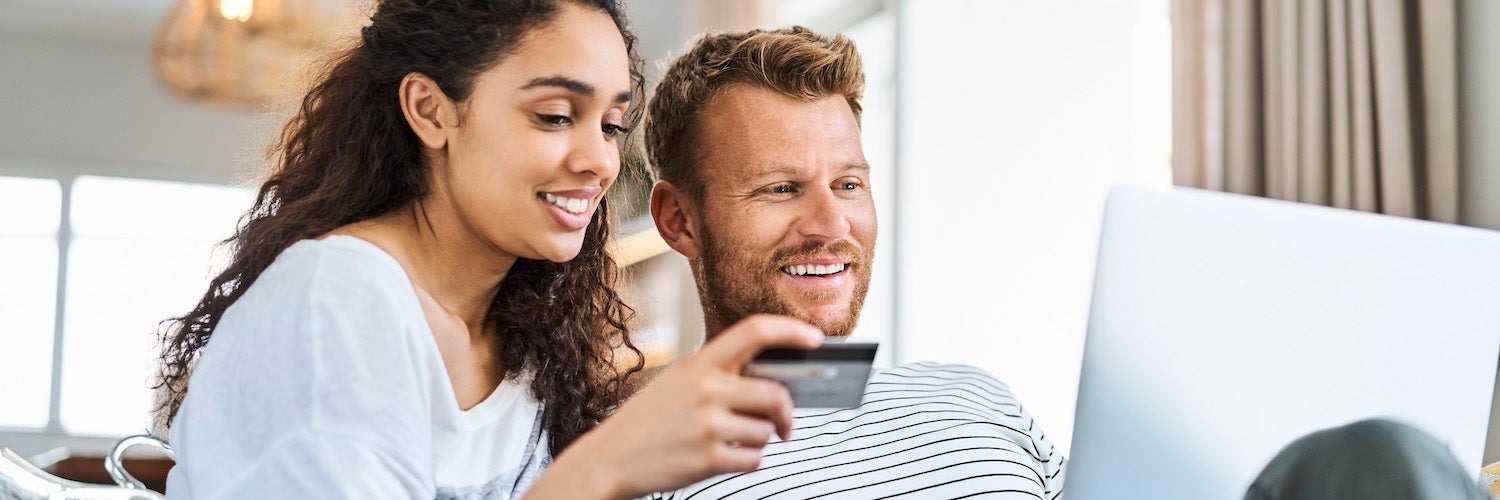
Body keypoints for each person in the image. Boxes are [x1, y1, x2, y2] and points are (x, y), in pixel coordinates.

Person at [154, 1, 825, 498]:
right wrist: (605, 468)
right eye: (555, 115)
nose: (599, 159)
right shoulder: (338, 297)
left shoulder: (528, 345)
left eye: (613, 124)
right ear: (430, 110)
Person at [641, 27, 1066, 499]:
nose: (833, 224)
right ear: (679, 220)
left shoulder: (978, 398)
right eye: (781, 188)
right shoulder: (638, 464)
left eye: (847, 185)